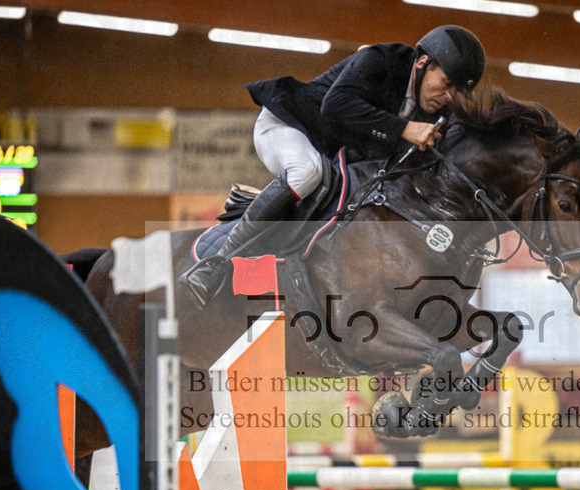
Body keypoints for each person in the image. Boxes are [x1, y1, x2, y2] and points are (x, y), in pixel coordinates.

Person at [180, 24, 486, 309]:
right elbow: (335, 104)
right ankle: (215, 264)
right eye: (446, 84)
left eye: (456, 91)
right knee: (307, 171)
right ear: (422, 63)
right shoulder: (380, 60)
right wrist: (404, 129)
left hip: (331, 154)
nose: (448, 97)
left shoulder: (441, 110)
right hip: (287, 125)